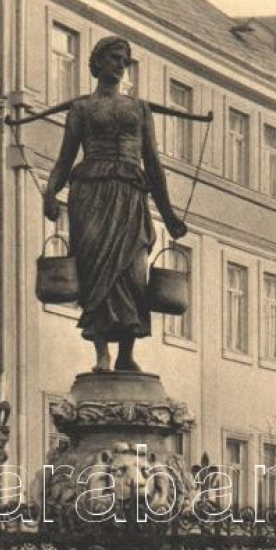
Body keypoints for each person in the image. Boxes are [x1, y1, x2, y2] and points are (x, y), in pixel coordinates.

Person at [43, 35, 187, 373]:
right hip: (92, 195)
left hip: (130, 196)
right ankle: (101, 355)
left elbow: (152, 164)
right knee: (95, 272)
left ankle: (126, 352)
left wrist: (169, 214)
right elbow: (65, 160)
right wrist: (50, 193)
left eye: (124, 60)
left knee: (133, 273)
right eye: (114, 58)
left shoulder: (139, 109)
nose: (120, 65)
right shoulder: (82, 109)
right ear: (97, 63)